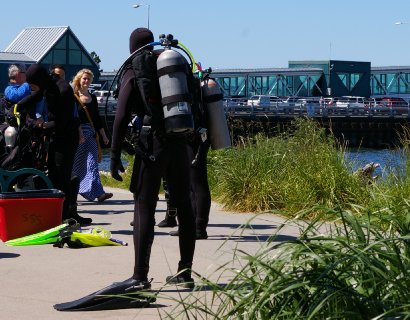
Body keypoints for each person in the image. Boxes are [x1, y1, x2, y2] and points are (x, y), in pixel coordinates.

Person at [110, 28, 196, 288]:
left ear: (132, 46)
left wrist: (114, 154)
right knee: (184, 205)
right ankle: (185, 272)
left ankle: (140, 276)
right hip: (180, 141)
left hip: (153, 144)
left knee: (144, 205)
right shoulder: (175, 64)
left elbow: (122, 113)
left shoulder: (136, 68)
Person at [24, 63, 91, 225]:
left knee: (61, 175)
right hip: (58, 135)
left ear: (39, 80)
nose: (32, 88)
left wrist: (41, 125)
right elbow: (36, 96)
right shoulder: (49, 83)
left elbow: (62, 121)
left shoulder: (62, 89)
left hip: (67, 137)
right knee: (55, 173)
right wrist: (18, 107)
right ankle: (65, 213)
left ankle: (66, 216)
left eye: (33, 84)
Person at [71, 68, 112, 202]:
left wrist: (104, 135)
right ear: (79, 79)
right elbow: (73, 117)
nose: (86, 81)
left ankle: (99, 193)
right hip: (78, 133)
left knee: (92, 162)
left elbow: (97, 119)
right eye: (84, 78)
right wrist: (79, 133)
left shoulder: (92, 97)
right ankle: (76, 190)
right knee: (77, 165)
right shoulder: (74, 96)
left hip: (91, 133)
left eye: (88, 79)